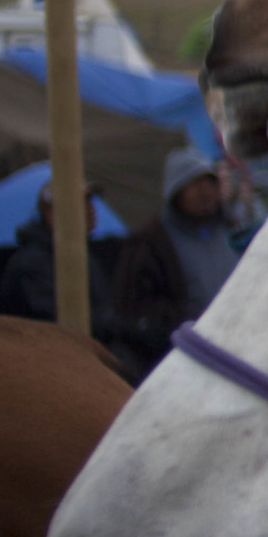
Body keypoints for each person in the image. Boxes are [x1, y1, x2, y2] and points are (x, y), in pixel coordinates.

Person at [112, 148, 242, 379]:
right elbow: (136, 310)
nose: (203, 193)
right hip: (182, 362)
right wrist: (188, 318)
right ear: (176, 193)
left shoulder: (231, 232)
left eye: (208, 183)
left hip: (236, 351)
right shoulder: (150, 242)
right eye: (193, 185)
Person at [0, 179, 118, 335]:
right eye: (78, 203)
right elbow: (60, 323)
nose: (90, 210)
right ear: (50, 213)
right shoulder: (31, 265)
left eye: (90, 201)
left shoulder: (84, 255)